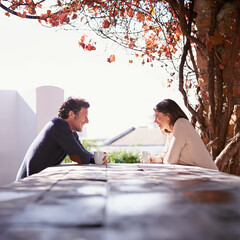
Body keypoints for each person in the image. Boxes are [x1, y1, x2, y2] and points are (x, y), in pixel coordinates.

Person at [16, 97, 108, 181]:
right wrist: (92, 158)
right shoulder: (58, 125)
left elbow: (83, 153)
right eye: (84, 116)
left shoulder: (71, 133)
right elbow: (81, 157)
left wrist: (97, 158)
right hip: (26, 185)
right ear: (71, 114)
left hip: (39, 181)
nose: (87, 121)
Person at [150, 99, 218, 170]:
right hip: (198, 175)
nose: (155, 121)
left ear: (168, 115)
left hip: (210, 176)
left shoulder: (181, 124)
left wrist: (165, 158)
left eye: (157, 116)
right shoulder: (171, 133)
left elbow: (170, 160)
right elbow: (164, 155)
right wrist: (153, 159)